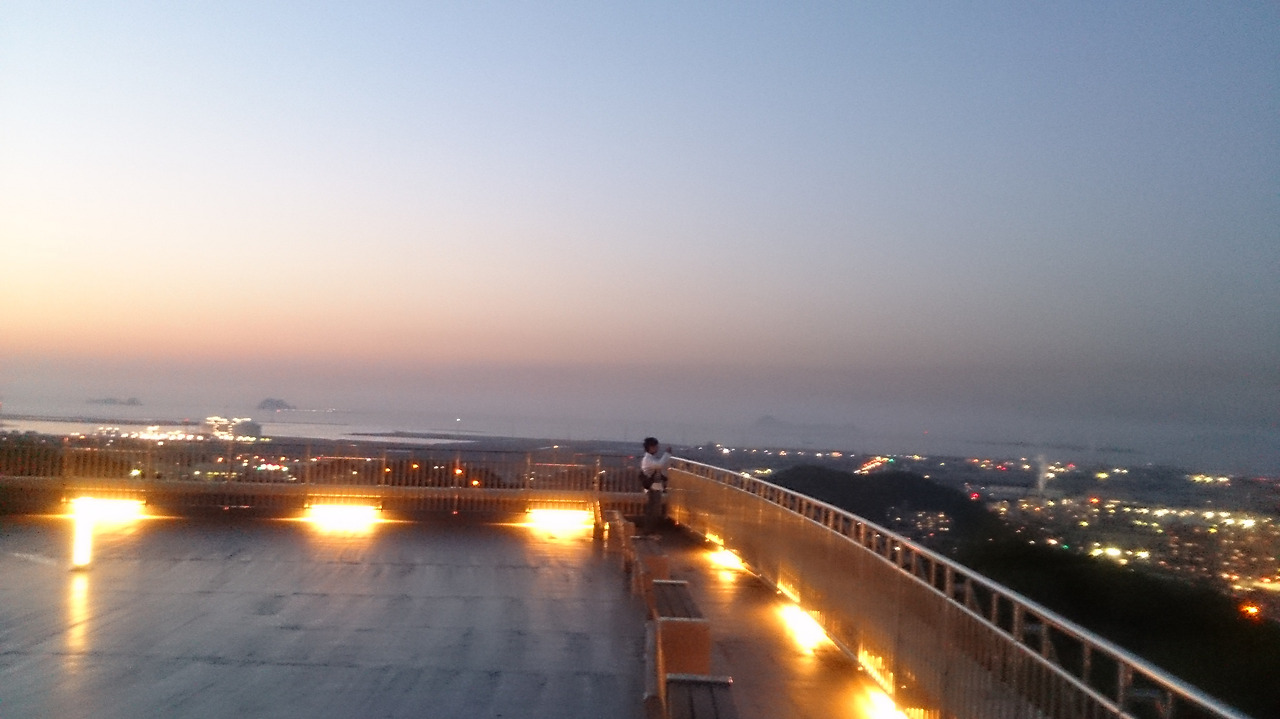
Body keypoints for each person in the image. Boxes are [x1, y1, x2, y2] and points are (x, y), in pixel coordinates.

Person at [640, 437, 671, 533]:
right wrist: (667, 454)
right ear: (651, 447)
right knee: (653, 510)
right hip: (652, 487)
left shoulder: (649, 458)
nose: (657, 449)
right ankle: (648, 531)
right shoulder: (648, 459)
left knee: (653, 509)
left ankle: (649, 530)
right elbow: (660, 465)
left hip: (653, 486)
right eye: (656, 447)